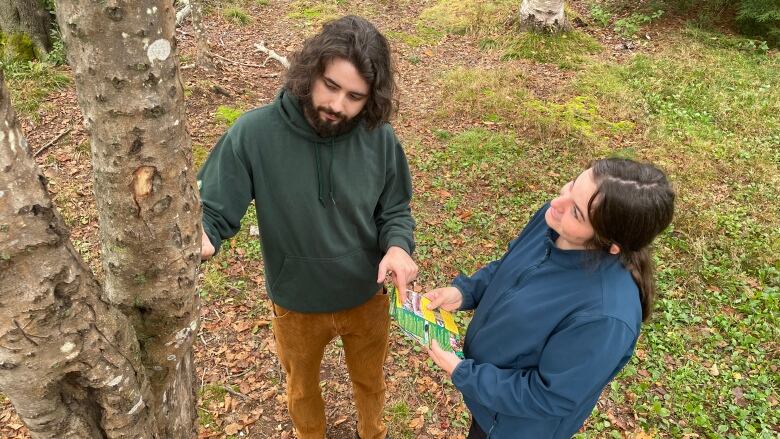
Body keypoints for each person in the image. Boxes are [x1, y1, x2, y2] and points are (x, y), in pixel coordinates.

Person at [197, 16, 416, 439]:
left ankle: (373, 433)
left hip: (365, 295)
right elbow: (213, 211)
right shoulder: (254, 134)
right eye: (330, 86)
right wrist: (202, 238)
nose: (338, 105)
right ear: (310, 70)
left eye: (355, 96)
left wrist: (398, 247)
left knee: (370, 381)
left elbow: (394, 208)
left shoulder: (378, 137)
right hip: (296, 301)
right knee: (301, 389)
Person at [424, 158, 675, 438]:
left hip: (513, 426)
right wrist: (465, 292)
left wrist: (465, 374)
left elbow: (548, 396)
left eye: (577, 213)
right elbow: (513, 265)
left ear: (611, 244)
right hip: (488, 400)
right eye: (571, 186)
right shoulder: (554, 221)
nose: (558, 202)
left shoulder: (605, 316)